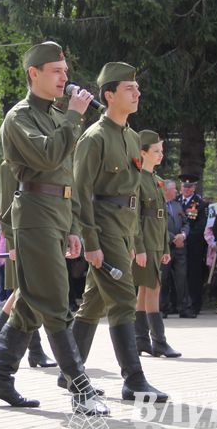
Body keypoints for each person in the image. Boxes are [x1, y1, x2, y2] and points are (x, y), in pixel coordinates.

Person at [0, 42, 106, 415]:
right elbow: (48, 156)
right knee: (54, 299)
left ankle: (0, 376)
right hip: (33, 211)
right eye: (56, 71)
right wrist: (72, 117)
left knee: (32, 304)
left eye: (65, 72)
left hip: (55, 212)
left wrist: (71, 225)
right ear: (33, 73)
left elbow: (64, 173)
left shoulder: (55, 115)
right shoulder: (19, 117)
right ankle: (79, 387)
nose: (64, 78)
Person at [72, 61, 168, 403]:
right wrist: (91, 242)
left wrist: (136, 239)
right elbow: (80, 193)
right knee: (124, 301)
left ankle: (72, 372)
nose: (137, 93)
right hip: (104, 226)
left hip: (124, 227)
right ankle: (133, 379)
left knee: (93, 303)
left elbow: (136, 196)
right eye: (129, 89)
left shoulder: (130, 137)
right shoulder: (94, 138)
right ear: (109, 95)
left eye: (137, 88)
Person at [0, 160, 57, 369]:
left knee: (24, 292)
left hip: (35, 235)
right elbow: (6, 206)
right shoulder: (8, 165)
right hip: (20, 237)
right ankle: (32, 351)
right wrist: (12, 243)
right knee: (27, 292)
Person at [133, 130, 179, 357]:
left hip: (157, 242)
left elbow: (162, 218)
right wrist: (138, 247)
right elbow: (134, 218)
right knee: (153, 289)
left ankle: (140, 340)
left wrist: (166, 248)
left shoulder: (158, 181)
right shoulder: (136, 179)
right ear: (143, 152)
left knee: (144, 291)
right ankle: (158, 341)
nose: (161, 154)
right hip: (145, 242)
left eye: (162, 150)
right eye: (156, 151)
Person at [159, 180, 190, 317]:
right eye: (174, 189)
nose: (177, 192)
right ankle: (162, 308)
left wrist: (182, 235)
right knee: (163, 279)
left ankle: (184, 308)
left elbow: (186, 222)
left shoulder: (177, 205)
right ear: (166, 190)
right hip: (164, 247)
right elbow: (158, 226)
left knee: (181, 278)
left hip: (180, 248)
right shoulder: (158, 205)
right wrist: (173, 238)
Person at [179, 174, 206, 316]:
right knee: (178, 275)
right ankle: (178, 304)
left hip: (193, 245)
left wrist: (185, 237)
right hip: (177, 245)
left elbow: (200, 226)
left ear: (194, 187)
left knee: (194, 275)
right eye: (184, 186)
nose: (187, 189)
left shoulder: (200, 204)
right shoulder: (176, 201)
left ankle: (194, 305)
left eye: (190, 187)